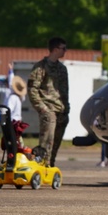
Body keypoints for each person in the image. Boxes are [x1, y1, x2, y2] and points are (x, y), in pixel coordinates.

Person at [27, 37, 69, 167]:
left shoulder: (62, 69)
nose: (65, 51)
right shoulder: (40, 67)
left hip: (60, 110)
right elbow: (32, 89)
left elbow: (65, 90)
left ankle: (50, 166)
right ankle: (41, 166)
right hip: (48, 109)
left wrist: (66, 107)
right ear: (55, 49)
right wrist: (42, 107)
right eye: (63, 48)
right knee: (46, 141)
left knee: (55, 142)